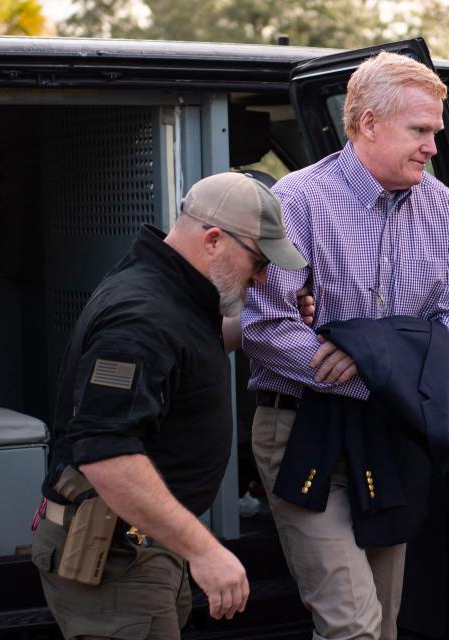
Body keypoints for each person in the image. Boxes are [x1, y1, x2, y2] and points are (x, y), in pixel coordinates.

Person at [242, 52, 449, 640]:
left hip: (392, 432)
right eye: (419, 130)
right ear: (369, 123)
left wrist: (371, 358)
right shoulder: (298, 200)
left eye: (435, 131)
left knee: (384, 620)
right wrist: (388, 364)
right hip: (304, 431)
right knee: (353, 626)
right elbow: (265, 327)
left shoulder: (443, 206)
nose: (432, 146)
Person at [33, 172, 307, 640]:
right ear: (214, 240)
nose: (262, 278)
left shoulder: (173, 289)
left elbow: (182, 354)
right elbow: (105, 452)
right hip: (115, 557)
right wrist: (204, 550)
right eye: (259, 261)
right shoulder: (141, 315)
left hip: (142, 546)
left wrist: (255, 324)